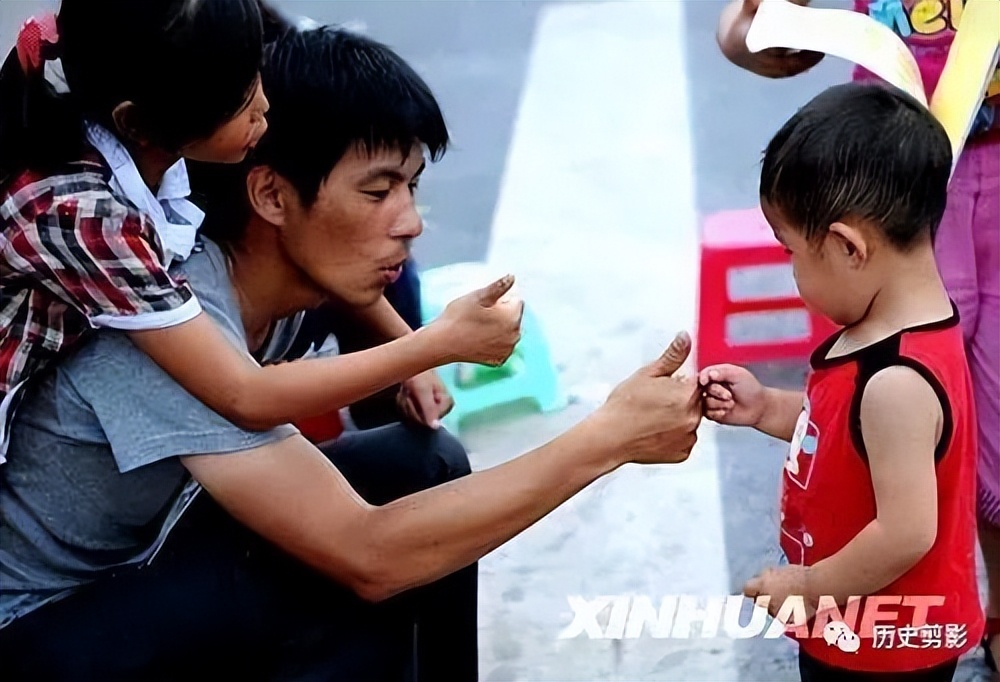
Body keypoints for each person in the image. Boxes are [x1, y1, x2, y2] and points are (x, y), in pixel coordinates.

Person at [0, 25, 703, 681]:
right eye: (378, 191)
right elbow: (370, 554)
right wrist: (607, 439)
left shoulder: (283, 266)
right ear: (271, 195)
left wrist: (409, 347)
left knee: (424, 465)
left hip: (157, 548)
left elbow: (356, 299)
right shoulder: (171, 326)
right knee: (338, 589)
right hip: (44, 625)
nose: (410, 222)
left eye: (412, 185)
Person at [0, 0, 464, 470]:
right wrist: (432, 345)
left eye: (254, 76)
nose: (263, 107)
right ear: (139, 123)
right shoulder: (87, 219)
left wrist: (409, 351)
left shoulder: (163, 139)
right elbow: (244, 395)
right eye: (239, 99)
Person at [717, 1, 1000, 673]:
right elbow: (846, 433)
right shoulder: (886, 337)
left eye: (791, 252)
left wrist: (810, 589)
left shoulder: (898, 379)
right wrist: (764, 408)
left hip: (884, 644)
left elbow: (907, 530)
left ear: (847, 247)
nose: (790, 272)